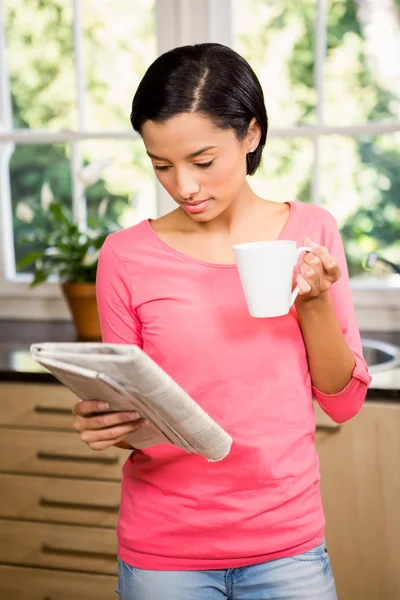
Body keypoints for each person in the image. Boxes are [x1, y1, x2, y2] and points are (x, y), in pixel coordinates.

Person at [72, 43, 371, 600]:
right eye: (161, 165)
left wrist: (311, 302)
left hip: (289, 547)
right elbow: (137, 411)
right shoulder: (125, 256)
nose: (184, 186)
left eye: (203, 161)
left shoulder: (312, 233)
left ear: (251, 134)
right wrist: (106, 424)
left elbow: (342, 402)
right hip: (165, 554)